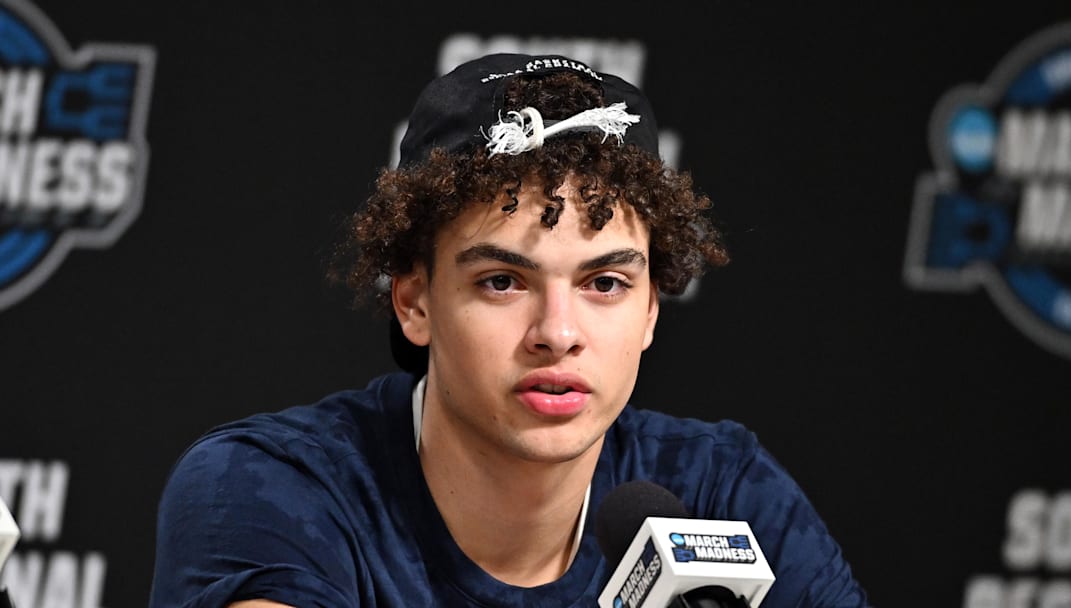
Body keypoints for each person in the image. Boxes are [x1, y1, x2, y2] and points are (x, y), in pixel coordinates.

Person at [149, 53, 870, 607]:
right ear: (414, 302)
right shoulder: (274, 487)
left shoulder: (720, 492)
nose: (557, 333)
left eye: (605, 284)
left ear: (651, 309)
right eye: (503, 282)